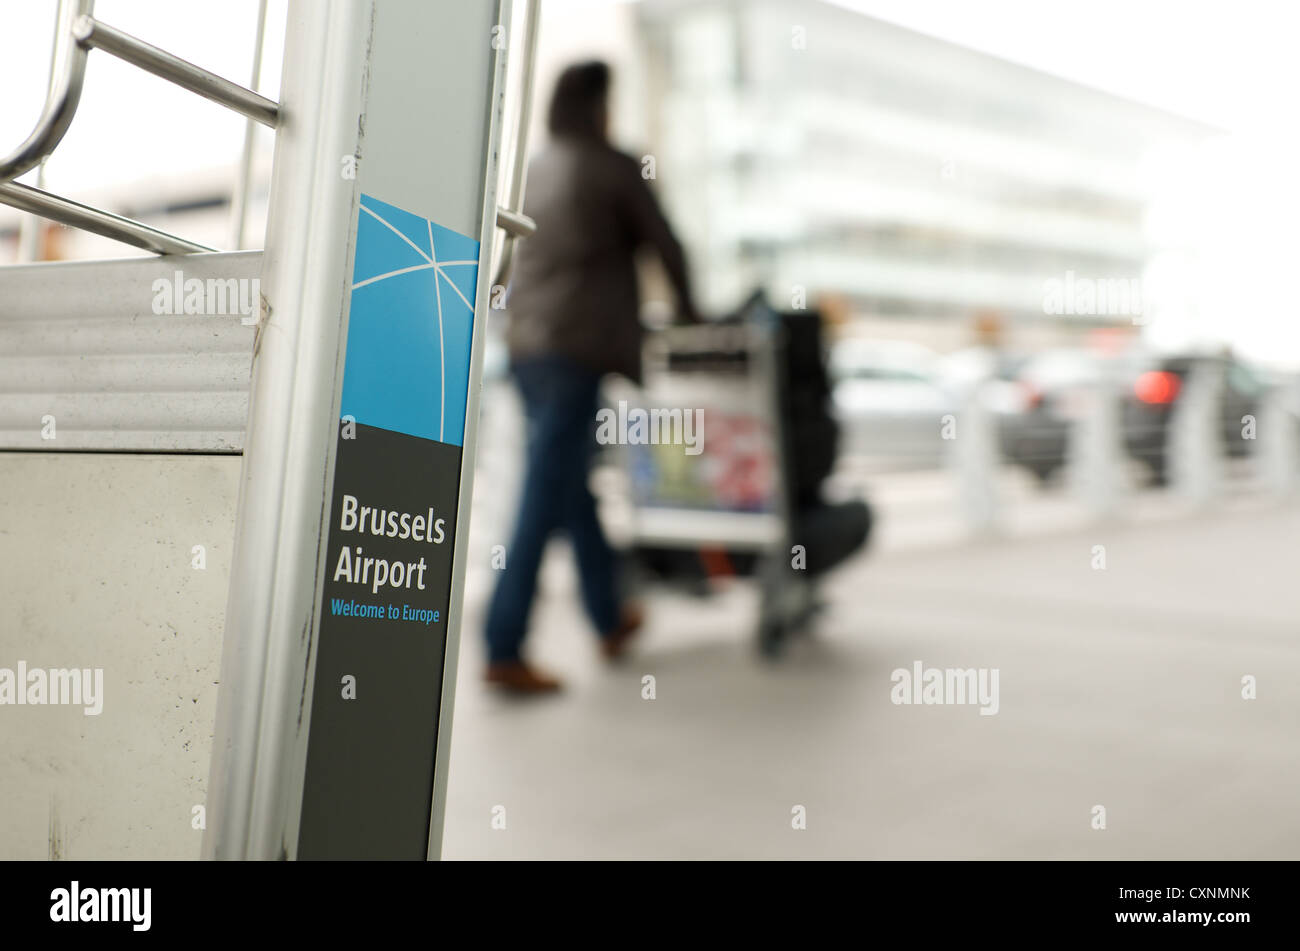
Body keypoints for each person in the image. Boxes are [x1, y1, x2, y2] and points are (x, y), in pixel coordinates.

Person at [484, 61, 699, 693]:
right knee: (545, 492)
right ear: (600, 105)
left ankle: (607, 617)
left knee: (570, 485)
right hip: (575, 352)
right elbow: (667, 243)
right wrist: (692, 312)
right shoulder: (610, 165)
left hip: (526, 350)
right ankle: (503, 645)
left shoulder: (541, 166)